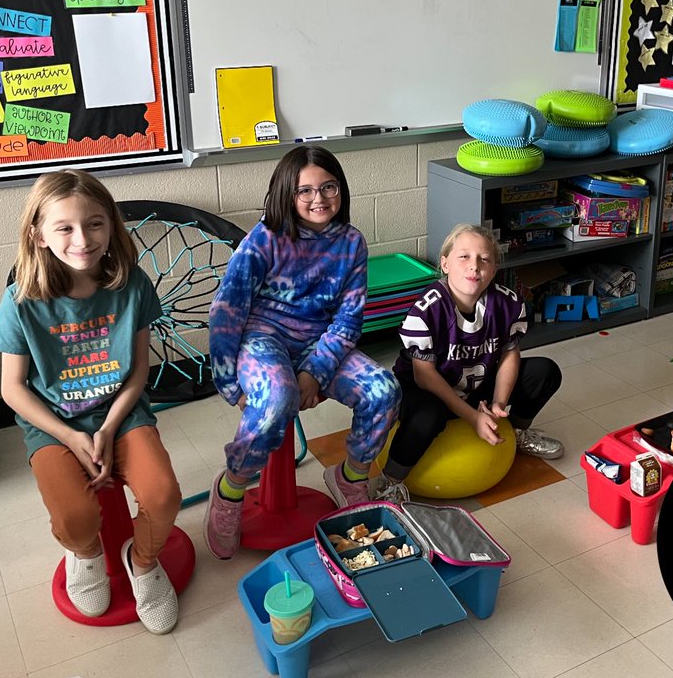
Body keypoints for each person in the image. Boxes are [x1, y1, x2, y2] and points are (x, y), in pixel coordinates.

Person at [0, 170, 182, 634]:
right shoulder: (19, 302)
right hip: (52, 424)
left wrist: (109, 428)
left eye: (95, 223)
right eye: (65, 228)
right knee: (75, 518)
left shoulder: (132, 285)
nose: (83, 239)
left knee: (163, 496)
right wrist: (72, 437)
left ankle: (143, 562)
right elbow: (13, 390)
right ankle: (86, 556)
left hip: (121, 413)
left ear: (112, 226)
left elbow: (138, 372)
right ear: (38, 235)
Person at [204, 146, 401, 558]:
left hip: (321, 341)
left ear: (341, 189)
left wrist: (314, 372)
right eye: (305, 190)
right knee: (277, 398)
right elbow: (226, 311)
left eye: (328, 187)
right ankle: (229, 490)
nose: (319, 199)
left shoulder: (351, 243)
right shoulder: (264, 240)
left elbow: (349, 320)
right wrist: (227, 382)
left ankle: (350, 478)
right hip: (263, 338)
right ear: (286, 194)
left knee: (384, 390)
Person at [376, 224, 564, 500]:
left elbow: (510, 353)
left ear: (495, 268)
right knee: (428, 415)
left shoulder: (507, 303)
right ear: (445, 263)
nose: (474, 266)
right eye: (463, 256)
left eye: (484, 259)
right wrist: (471, 416)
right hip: (427, 389)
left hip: (475, 383)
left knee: (545, 371)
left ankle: (519, 432)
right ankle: (389, 480)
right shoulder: (427, 309)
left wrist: (499, 404)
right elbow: (424, 375)